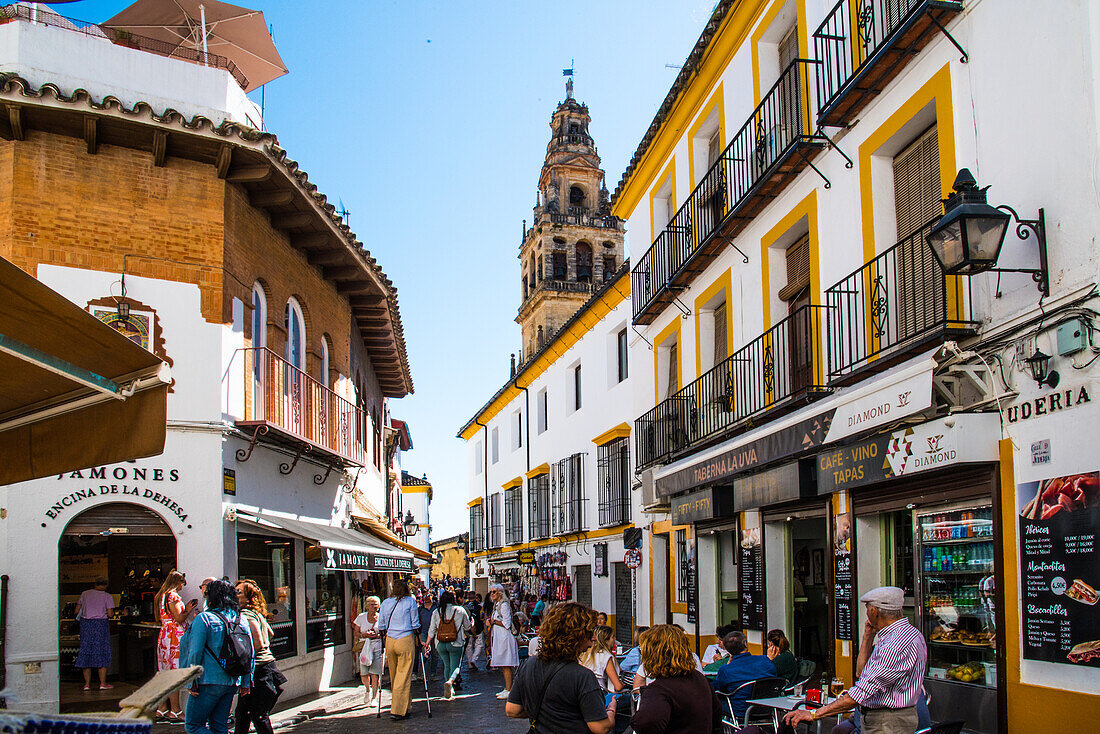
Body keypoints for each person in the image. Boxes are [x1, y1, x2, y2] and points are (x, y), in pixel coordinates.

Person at [785, 587, 927, 734]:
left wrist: (815, 714)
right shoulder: (911, 634)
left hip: (887, 722)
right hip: (889, 718)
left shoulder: (894, 644)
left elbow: (861, 692)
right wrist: (868, 637)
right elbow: (861, 673)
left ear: (874, 612)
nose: (866, 614)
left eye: (867, 609)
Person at [505, 602, 616, 734]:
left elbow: (512, 709)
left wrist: (544, 714)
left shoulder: (529, 665)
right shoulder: (582, 676)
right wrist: (611, 710)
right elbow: (601, 727)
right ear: (576, 635)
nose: (594, 638)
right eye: (590, 632)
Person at [179, 579, 254, 734]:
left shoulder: (204, 619)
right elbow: (249, 653)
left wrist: (190, 681)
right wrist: (246, 682)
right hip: (232, 681)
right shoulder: (241, 620)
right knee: (219, 726)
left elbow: (195, 652)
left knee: (194, 726)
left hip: (207, 681)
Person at [630, 625, 727, 734]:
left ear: (653, 655)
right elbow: (717, 714)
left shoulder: (658, 690)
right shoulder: (699, 678)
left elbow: (645, 724)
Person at [234, 580, 286, 734]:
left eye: (239, 592)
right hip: (265, 666)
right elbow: (270, 634)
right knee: (243, 714)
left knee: (258, 716)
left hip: (258, 669)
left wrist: (242, 653)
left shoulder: (246, 615)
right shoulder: (256, 614)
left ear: (249, 598)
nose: (235, 595)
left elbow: (258, 643)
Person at [377, 578, 420, 721]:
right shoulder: (410, 602)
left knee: (395, 674)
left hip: (390, 640)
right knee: (403, 676)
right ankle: (397, 710)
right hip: (405, 639)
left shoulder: (385, 602)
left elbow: (381, 625)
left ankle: (405, 705)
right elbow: (415, 623)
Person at [711, 631, 777, 721]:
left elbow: (718, 689)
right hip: (766, 708)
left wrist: (728, 663)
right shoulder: (765, 661)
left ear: (727, 649)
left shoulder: (726, 670)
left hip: (739, 710)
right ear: (745, 644)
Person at [154, 571, 194, 718]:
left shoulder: (161, 595)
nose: (183, 586)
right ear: (178, 582)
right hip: (174, 637)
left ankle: (162, 707)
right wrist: (188, 609)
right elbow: (178, 617)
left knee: (165, 672)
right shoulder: (173, 595)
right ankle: (175, 710)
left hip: (165, 635)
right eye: (183, 583)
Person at [425, 590, 471, 700]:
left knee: (446, 665)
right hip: (456, 642)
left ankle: (450, 690)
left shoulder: (436, 612)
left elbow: (432, 630)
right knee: (455, 666)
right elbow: (467, 627)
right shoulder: (460, 610)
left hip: (440, 643)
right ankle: (450, 682)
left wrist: (427, 642)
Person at [74, 576, 115, 691]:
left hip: (86, 625)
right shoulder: (107, 596)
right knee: (101, 651)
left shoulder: (84, 594)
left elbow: (76, 611)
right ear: (106, 585)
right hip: (100, 625)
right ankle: (103, 683)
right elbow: (110, 614)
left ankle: (87, 684)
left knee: (86, 651)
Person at [488, 583, 520, 699]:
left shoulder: (504, 605)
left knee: (506, 664)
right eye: (491, 592)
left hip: (505, 638)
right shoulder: (497, 605)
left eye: (494, 592)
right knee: (503, 664)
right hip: (499, 637)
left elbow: (507, 623)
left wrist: (494, 622)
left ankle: (509, 689)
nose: (491, 594)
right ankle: (507, 687)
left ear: (500, 593)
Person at [352, 595, 383, 704]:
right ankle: (367, 690)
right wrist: (364, 635)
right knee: (364, 675)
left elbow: (386, 633)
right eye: (371, 604)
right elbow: (355, 632)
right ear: (367, 606)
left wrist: (378, 636)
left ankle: (374, 698)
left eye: (376, 604)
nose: (374, 607)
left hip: (377, 648)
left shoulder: (381, 617)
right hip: (365, 648)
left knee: (375, 674)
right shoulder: (361, 617)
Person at [580, 625, 623, 692]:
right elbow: (618, 686)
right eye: (613, 637)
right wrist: (624, 684)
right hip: (600, 694)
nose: (615, 639)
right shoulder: (605, 656)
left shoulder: (584, 654)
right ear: (605, 640)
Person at [415, 594, 437, 682]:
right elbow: (417, 622)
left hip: (435, 633)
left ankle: (433, 674)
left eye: (429, 595)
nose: (427, 597)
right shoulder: (420, 609)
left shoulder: (436, 607)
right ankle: (422, 674)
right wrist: (418, 636)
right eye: (425, 596)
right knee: (425, 653)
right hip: (424, 633)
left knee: (435, 654)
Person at [465, 592, 485, 671]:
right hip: (478, 627)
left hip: (467, 628)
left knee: (468, 646)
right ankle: (474, 659)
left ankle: (470, 663)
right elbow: (482, 616)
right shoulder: (479, 606)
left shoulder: (464, 606)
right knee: (479, 644)